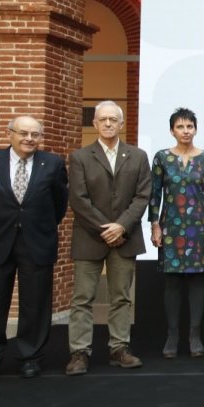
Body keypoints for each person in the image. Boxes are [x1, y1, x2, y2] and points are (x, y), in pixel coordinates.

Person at [0, 116, 69, 383]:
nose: (29, 139)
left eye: (35, 134)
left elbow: (59, 204)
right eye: (23, 133)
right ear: (9, 133)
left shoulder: (53, 164)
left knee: (35, 304)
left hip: (36, 243)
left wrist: (37, 227)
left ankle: (30, 357)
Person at [65, 101, 151, 376]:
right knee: (82, 298)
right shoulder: (80, 157)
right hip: (90, 237)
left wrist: (122, 226)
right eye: (103, 119)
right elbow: (78, 199)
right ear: (95, 124)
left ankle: (119, 348)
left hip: (125, 238)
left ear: (122, 124)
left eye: (113, 119)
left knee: (122, 298)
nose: (108, 124)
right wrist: (106, 228)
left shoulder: (137, 156)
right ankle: (79, 352)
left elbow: (142, 196)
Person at [149, 107, 204, 359]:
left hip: (200, 227)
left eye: (189, 126)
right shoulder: (162, 158)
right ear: (172, 130)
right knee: (173, 282)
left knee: (198, 281)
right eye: (180, 127)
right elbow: (155, 193)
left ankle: (195, 335)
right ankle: (173, 335)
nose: (185, 131)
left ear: (196, 129)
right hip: (171, 227)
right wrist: (154, 224)